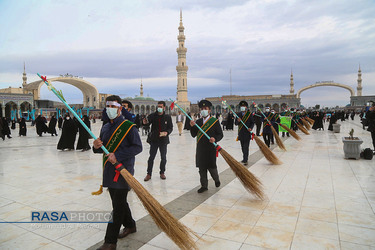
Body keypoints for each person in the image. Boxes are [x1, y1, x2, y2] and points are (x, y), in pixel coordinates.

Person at [93, 95, 142, 250]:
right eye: (108, 107)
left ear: (120, 108)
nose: (110, 110)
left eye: (113, 107)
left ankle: (110, 242)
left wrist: (118, 156)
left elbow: (137, 147)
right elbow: (102, 148)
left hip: (122, 171)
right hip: (108, 170)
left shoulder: (128, 126)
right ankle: (130, 225)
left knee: (118, 207)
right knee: (118, 202)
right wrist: (96, 146)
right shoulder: (106, 127)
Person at [190, 100, 223, 193]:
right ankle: (204, 186)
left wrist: (215, 138)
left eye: (205, 109)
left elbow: (220, 134)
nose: (203, 110)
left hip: (210, 148)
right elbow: (193, 135)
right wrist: (192, 126)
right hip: (200, 148)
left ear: (209, 110)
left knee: (212, 167)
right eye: (202, 109)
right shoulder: (198, 122)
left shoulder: (214, 121)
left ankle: (216, 179)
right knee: (202, 168)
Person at [143, 101, 173, 181]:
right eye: (158, 106)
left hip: (163, 140)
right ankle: (149, 174)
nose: (159, 108)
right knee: (151, 157)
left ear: (164, 107)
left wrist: (167, 132)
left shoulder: (167, 117)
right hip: (154, 140)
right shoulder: (153, 116)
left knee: (163, 158)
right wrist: (145, 123)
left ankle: (162, 172)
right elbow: (147, 124)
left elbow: (170, 128)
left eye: (160, 106)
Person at [235, 101, 254, 166]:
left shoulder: (249, 114)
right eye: (241, 106)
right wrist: (238, 121)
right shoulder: (238, 114)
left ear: (246, 107)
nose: (242, 107)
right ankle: (244, 157)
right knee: (242, 147)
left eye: (244, 106)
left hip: (247, 133)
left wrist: (250, 128)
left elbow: (252, 122)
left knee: (246, 147)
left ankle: (245, 159)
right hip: (241, 133)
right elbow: (235, 123)